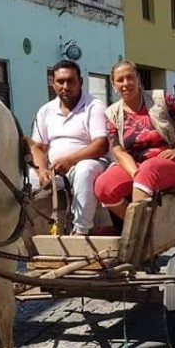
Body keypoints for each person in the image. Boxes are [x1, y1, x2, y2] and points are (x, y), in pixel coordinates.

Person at [94, 60, 175, 221]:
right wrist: (135, 173)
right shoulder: (112, 114)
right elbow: (118, 150)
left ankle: (140, 235)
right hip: (138, 167)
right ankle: (137, 225)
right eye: (120, 80)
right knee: (103, 186)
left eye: (130, 78)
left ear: (138, 80)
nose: (126, 83)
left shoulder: (162, 99)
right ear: (113, 85)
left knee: (150, 168)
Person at [30, 60, 109, 235]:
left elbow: (101, 144)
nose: (65, 86)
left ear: (80, 81)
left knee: (84, 170)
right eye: (60, 81)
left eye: (70, 81)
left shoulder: (94, 106)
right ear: (52, 83)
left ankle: (81, 231)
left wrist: (70, 160)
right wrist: (42, 170)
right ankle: (22, 234)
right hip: (55, 168)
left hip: (91, 163)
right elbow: (37, 147)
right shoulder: (45, 111)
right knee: (23, 181)